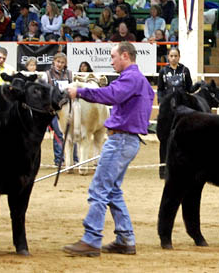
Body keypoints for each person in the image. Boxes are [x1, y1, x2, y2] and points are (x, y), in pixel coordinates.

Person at [63, 42, 154, 257]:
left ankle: (92, 239)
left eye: (113, 57)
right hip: (128, 140)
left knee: (99, 189)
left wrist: (79, 92)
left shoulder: (130, 78)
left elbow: (110, 95)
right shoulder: (140, 80)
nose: (111, 61)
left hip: (120, 139)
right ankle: (125, 239)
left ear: (125, 55)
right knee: (112, 190)